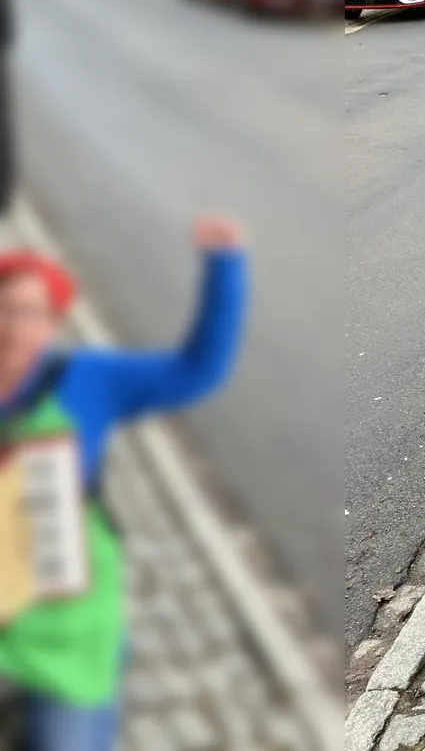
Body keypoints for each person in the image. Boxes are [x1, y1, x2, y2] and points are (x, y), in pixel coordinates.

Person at [0, 218, 248, 751]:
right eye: (3, 310)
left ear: (49, 325)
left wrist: (223, 269)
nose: (11, 327)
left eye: (28, 314)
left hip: (62, 633)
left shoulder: (83, 379)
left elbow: (194, 371)